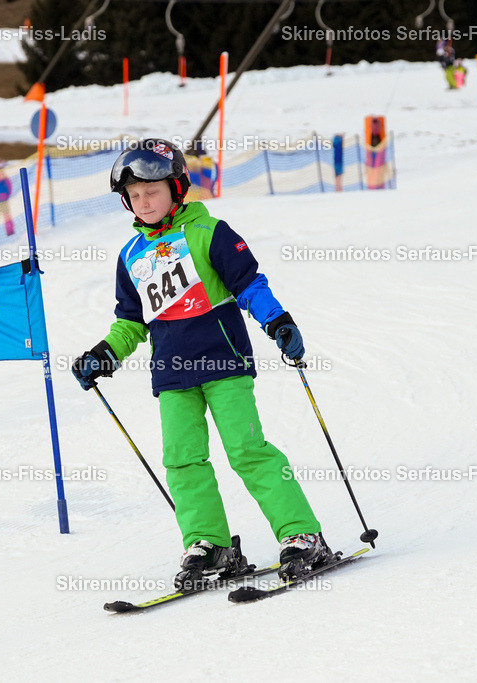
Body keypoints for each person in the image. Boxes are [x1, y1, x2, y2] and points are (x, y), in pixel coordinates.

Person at [71, 138, 332, 586]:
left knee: (248, 450)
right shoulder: (132, 256)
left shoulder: (209, 233)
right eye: (134, 196)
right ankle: (210, 543)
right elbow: (131, 322)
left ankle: (301, 534)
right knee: (182, 460)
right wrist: (103, 354)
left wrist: (278, 322)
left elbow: (250, 284)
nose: (143, 202)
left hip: (223, 362)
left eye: (152, 191)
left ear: (177, 189)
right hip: (172, 375)